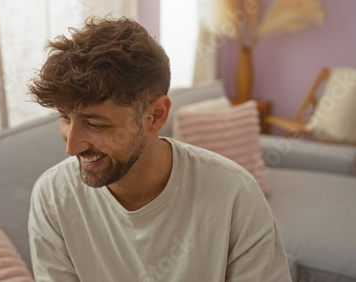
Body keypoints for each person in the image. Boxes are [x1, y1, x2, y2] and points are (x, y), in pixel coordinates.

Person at [28, 16, 291, 282]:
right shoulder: (52, 196)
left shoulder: (235, 195)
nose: (71, 147)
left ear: (156, 115)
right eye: (65, 118)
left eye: (94, 124)